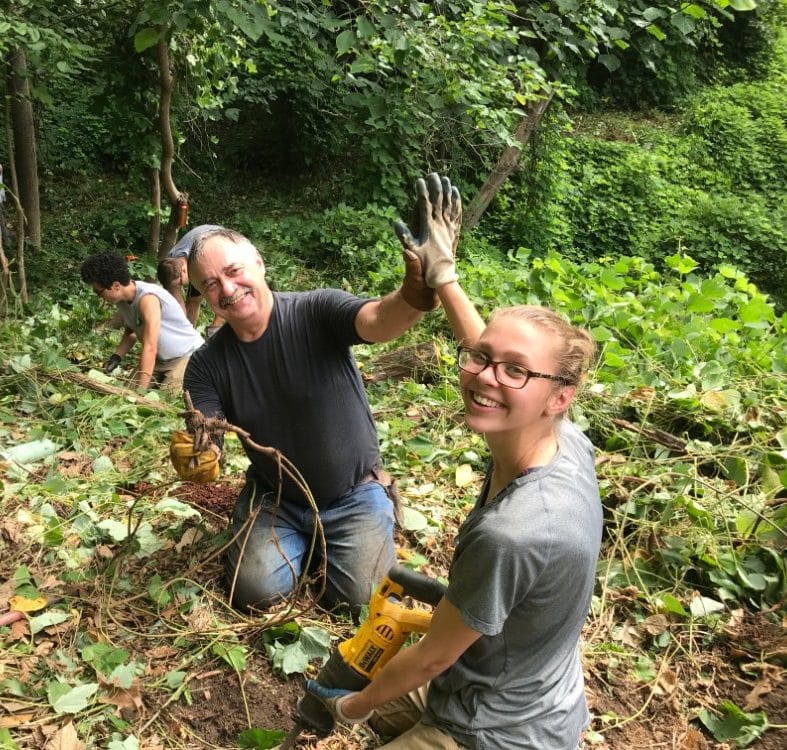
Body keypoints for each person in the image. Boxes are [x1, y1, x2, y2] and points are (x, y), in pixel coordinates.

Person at [304, 174, 602, 749]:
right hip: (508, 682)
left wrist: (352, 709)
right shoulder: (561, 438)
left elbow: (426, 662)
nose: (487, 377)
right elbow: (498, 362)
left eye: (513, 370)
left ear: (559, 395)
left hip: (503, 732)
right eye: (481, 359)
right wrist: (443, 277)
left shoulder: (515, 533)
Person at [168, 199, 456, 613]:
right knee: (254, 594)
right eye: (211, 284)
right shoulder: (206, 364)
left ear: (259, 263)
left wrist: (416, 288)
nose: (227, 289)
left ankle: (345, 536)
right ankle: (299, 542)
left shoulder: (316, 310)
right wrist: (201, 454)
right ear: (204, 294)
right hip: (277, 498)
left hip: (353, 492)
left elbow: (379, 321)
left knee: (358, 605)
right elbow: (208, 431)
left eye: (233, 272)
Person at [80, 251, 204, 391]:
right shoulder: (123, 300)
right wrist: (116, 356)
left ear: (115, 286)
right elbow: (131, 332)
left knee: (164, 402)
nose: (99, 297)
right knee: (124, 396)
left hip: (187, 357)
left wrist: (140, 395)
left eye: (99, 292)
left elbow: (150, 346)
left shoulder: (148, 299)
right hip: (160, 359)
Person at [159, 223, 225, 336]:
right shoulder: (170, 265)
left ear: (185, 270)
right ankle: (188, 334)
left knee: (221, 291)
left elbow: (222, 292)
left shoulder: (203, 260)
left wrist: (216, 325)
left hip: (221, 243)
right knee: (193, 301)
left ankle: (216, 329)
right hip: (196, 251)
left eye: (180, 284)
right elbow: (179, 302)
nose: (180, 287)